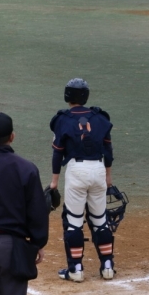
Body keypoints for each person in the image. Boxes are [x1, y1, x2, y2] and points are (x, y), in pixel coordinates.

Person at [0, 112, 49, 295]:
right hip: (11, 247)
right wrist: (37, 243)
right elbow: (37, 212)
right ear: (12, 137)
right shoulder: (25, 168)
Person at [49, 78, 116, 282]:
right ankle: (107, 267)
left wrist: (54, 182)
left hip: (76, 171)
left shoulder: (62, 119)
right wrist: (108, 175)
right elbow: (108, 150)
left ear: (67, 95)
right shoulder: (100, 118)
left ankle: (76, 270)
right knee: (100, 220)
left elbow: (58, 153)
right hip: (98, 170)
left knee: (73, 222)